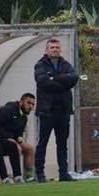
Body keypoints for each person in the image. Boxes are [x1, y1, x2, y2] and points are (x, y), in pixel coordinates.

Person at [33, 38, 79, 182]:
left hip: (63, 111)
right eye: (52, 47)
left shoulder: (65, 64)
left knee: (62, 144)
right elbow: (43, 82)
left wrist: (54, 78)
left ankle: (63, 173)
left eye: (57, 47)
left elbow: (74, 77)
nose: (55, 49)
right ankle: (40, 174)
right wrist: (63, 82)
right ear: (46, 50)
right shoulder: (40, 65)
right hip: (46, 111)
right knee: (43, 143)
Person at [0, 93, 35, 183]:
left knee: (29, 149)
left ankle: (29, 177)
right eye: (29, 103)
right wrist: (7, 137)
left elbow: (18, 134)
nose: (31, 106)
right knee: (16, 147)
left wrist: (19, 139)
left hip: (11, 138)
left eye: (33, 104)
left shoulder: (24, 118)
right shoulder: (7, 110)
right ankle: (15, 175)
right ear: (21, 102)